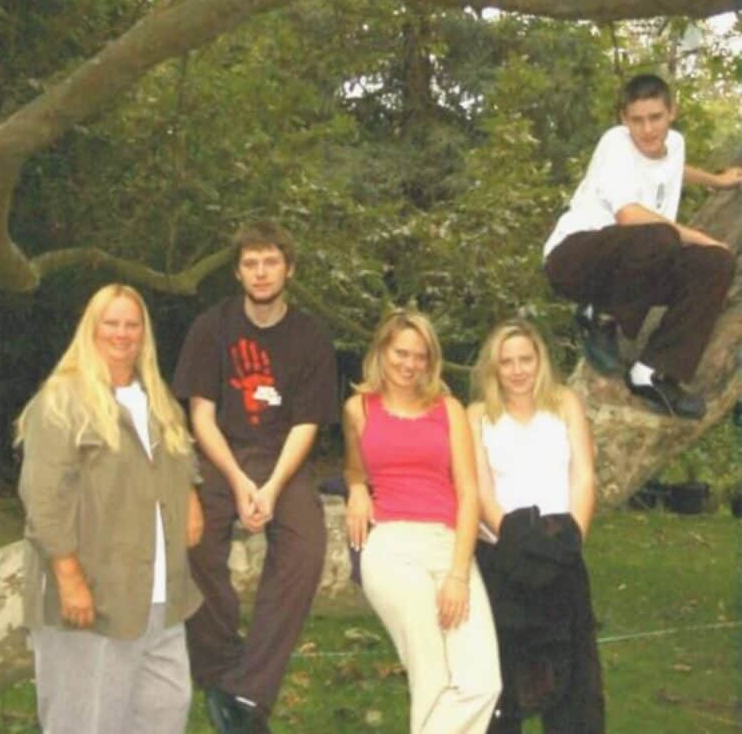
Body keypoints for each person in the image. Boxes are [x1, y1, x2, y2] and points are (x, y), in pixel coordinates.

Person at [172, 220, 339, 734]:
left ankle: (249, 692)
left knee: (306, 551)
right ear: (238, 271)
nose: (261, 272)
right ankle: (223, 671)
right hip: (220, 456)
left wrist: (268, 487)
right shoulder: (211, 327)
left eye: (270, 262)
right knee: (192, 545)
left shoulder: (310, 336)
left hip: (283, 460)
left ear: (288, 268)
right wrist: (240, 482)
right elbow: (200, 416)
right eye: (250, 263)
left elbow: (307, 423)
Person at [15, 284, 202, 734]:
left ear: (144, 334)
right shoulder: (61, 401)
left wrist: (191, 493)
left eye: (132, 324)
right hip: (93, 599)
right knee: (87, 724)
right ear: (91, 329)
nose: (122, 333)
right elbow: (42, 496)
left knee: (166, 711)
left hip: (160, 599)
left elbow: (181, 461)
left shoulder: (157, 400)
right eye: (111, 323)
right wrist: (69, 577)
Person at [543, 73, 740, 419]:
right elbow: (630, 215)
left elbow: (670, 166)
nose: (647, 129)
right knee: (660, 236)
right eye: (637, 120)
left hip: (640, 265)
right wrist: (702, 237)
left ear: (672, 112)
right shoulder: (615, 143)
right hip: (574, 258)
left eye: (656, 118)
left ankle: (651, 372)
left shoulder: (674, 144)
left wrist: (717, 180)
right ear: (623, 118)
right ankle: (600, 316)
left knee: (715, 264)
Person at [343, 309, 501, 734]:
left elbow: (468, 491)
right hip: (391, 546)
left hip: (448, 543)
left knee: (481, 682)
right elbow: (356, 469)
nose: (409, 364)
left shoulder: (448, 409)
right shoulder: (358, 408)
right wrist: (357, 489)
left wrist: (459, 573)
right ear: (381, 351)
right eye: (401, 353)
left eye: (420, 356)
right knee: (430, 672)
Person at [468, 318, 604, 734]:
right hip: (501, 555)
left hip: (560, 550)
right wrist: (516, 543)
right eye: (507, 362)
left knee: (574, 679)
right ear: (493, 368)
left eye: (525, 359)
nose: (517, 370)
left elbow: (583, 475)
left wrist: (570, 538)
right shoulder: (475, 415)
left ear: (539, 361)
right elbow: (479, 491)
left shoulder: (565, 404)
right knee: (502, 680)